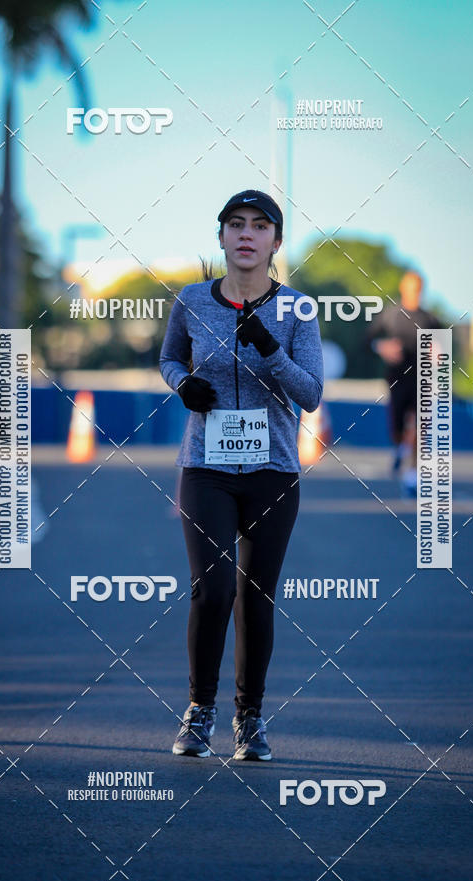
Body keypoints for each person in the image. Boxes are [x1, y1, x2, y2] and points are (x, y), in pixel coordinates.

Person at [159, 189, 324, 761]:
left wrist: (271, 351)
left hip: (273, 471)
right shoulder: (191, 300)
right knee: (214, 589)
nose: (246, 234)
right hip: (205, 468)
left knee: (256, 597)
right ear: (222, 237)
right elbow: (169, 358)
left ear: (276, 242)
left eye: (259, 226)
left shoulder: (300, 310)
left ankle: (249, 720)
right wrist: (182, 385)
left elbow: (311, 394)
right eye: (235, 225)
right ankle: (198, 712)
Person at [367, 271, 443, 495]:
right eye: (411, 289)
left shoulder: (430, 320)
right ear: (403, 289)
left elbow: (441, 347)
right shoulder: (390, 316)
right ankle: (400, 447)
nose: (415, 294)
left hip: (422, 380)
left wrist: (438, 353)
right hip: (397, 379)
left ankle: (413, 475)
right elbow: (367, 340)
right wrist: (382, 347)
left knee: (422, 426)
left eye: (418, 290)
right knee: (398, 427)